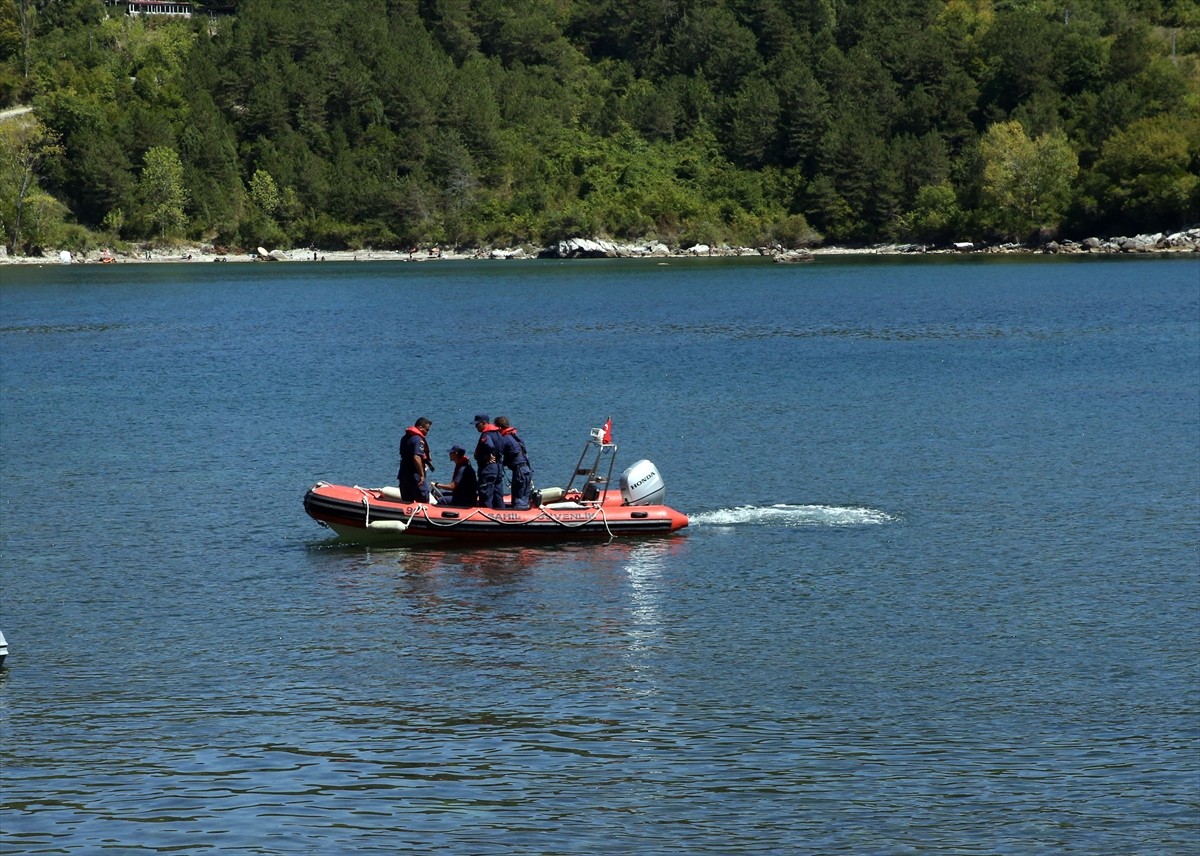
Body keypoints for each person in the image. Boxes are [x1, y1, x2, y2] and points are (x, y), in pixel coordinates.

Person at [495, 416, 533, 510]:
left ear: (499, 428)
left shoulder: (505, 439)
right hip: (527, 470)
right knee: (524, 496)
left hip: (519, 471)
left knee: (518, 498)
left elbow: (498, 453)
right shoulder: (516, 437)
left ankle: (519, 516)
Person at [472, 414, 505, 509]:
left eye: (477, 424)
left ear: (484, 423)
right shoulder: (498, 433)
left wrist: (486, 456)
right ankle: (501, 513)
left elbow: (489, 445)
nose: (476, 426)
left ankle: (486, 517)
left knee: (486, 495)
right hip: (498, 468)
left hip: (488, 469)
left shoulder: (486, 435)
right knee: (498, 494)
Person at [397, 417, 433, 502]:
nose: (427, 433)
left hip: (403, 474)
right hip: (414, 475)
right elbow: (416, 457)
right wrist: (421, 474)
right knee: (423, 498)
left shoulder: (404, 438)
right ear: (420, 427)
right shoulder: (418, 440)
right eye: (426, 430)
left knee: (407, 500)